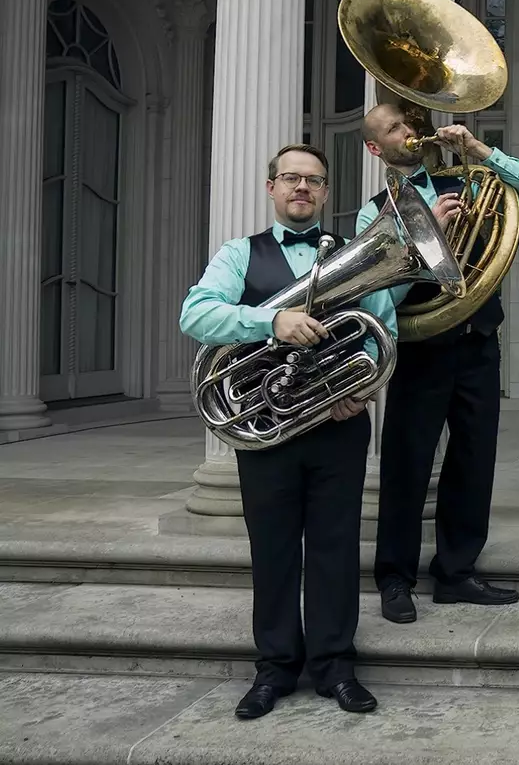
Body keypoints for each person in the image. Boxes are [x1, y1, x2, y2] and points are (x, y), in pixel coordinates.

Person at [180, 143, 393, 719]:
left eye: (314, 181)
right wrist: (268, 319)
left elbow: (382, 331)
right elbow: (195, 314)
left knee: (335, 548)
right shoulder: (238, 254)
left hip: (337, 425)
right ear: (271, 187)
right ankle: (274, 668)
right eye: (292, 179)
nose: (303, 188)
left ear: (325, 193)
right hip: (266, 430)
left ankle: (335, 666)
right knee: (272, 550)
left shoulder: (360, 254)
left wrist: (358, 389)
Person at [358, 99, 519, 624]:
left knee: (473, 460)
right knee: (407, 464)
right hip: (420, 348)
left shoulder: (465, 179)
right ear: (377, 148)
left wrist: (477, 149)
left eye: (407, 122)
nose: (407, 131)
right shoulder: (376, 208)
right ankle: (394, 576)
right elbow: (375, 292)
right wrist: (424, 240)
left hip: (477, 341)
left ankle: (456, 572)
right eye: (392, 129)